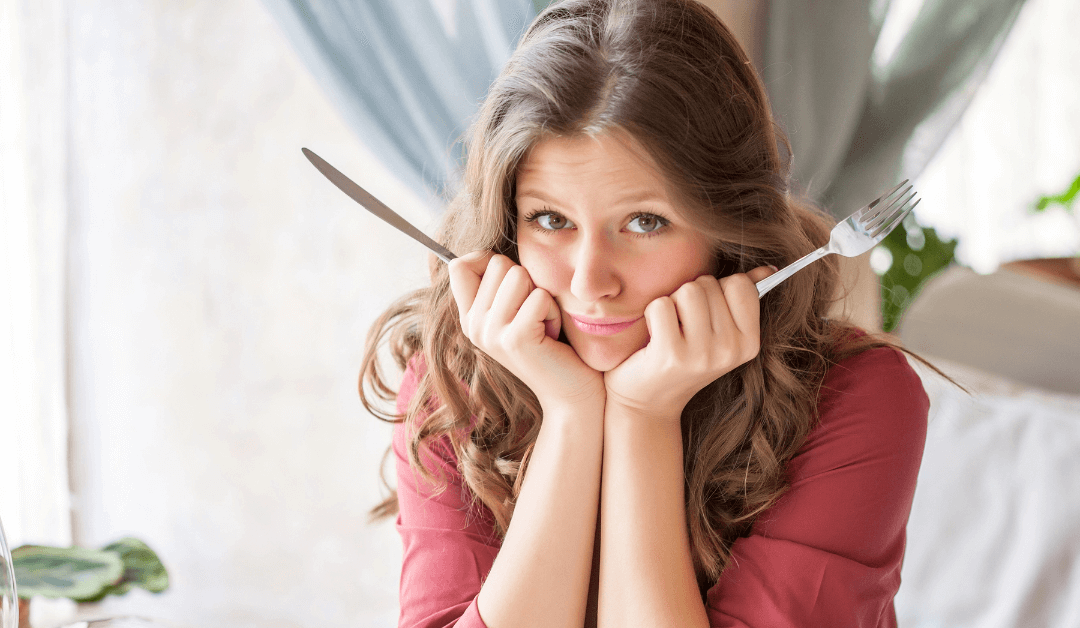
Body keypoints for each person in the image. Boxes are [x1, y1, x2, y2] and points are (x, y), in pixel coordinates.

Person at [359, 1, 931, 626]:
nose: (589, 282)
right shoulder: (451, 383)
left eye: (645, 222)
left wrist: (642, 417)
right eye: (551, 220)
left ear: (729, 227)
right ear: (507, 226)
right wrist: (573, 415)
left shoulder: (858, 397)